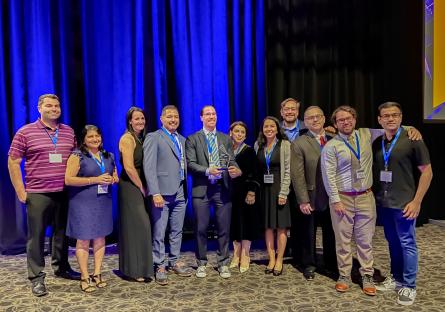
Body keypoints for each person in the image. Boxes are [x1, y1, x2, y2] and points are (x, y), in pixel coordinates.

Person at [321, 105, 421, 296]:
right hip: (342, 198)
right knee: (343, 241)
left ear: (355, 120)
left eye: (349, 118)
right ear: (335, 124)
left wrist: (410, 128)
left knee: (365, 240)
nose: (345, 122)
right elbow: (328, 176)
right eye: (341, 120)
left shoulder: (366, 134)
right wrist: (335, 200)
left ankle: (366, 275)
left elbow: (391, 126)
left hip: (366, 197)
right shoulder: (331, 146)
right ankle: (344, 275)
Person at [7, 94, 78, 297]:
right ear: (39, 108)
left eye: (57, 105)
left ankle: (61, 267)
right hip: (38, 193)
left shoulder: (68, 131)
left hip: (64, 192)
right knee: (36, 237)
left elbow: (75, 159)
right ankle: (37, 277)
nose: (54, 108)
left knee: (62, 234)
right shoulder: (25, 132)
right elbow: (13, 162)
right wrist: (21, 191)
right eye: (49, 105)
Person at [372, 102, 432, 305]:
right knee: (393, 242)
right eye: (386, 116)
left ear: (401, 118)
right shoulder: (377, 142)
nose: (390, 118)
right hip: (384, 202)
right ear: (379, 120)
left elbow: (427, 173)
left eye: (395, 115)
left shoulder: (413, 140)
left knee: (408, 243)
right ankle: (396, 279)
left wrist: (417, 202)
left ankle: (409, 286)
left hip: (405, 203)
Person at [185, 105, 242, 279]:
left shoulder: (225, 138)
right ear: (201, 118)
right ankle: (201, 262)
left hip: (222, 188)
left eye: (214, 114)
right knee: (200, 228)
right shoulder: (193, 139)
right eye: (208, 114)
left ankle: (223, 263)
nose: (211, 116)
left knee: (223, 228)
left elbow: (231, 160)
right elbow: (191, 164)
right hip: (202, 189)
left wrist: (237, 170)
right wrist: (208, 170)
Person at [65, 125, 118, 292]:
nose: (95, 139)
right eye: (91, 137)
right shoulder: (77, 156)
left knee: (100, 238)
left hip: (103, 202)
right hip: (82, 203)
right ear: (84, 139)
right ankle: (84, 276)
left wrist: (113, 179)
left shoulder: (108, 155)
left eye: (97, 136)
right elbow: (68, 180)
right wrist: (94, 180)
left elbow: (115, 174)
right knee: (83, 239)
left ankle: (97, 273)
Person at [143, 105, 192, 285]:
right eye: (169, 116)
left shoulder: (182, 139)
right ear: (161, 118)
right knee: (159, 231)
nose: (173, 119)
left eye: (176, 116)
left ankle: (174, 260)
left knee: (177, 230)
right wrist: (155, 192)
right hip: (162, 193)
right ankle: (159, 264)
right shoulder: (154, 137)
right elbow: (149, 168)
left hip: (180, 190)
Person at [290, 106, 337, 281]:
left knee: (331, 233)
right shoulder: (299, 142)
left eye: (318, 117)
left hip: (333, 197)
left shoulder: (335, 139)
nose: (315, 120)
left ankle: (331, 264)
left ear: (324, 119)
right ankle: (308, 264)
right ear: (305, 121)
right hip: (310, 196)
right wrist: (302, 200)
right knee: (308, 233)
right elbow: (297, 174)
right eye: (310, 118)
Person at [118, 107, 153, 281]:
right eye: (136, 119)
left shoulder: (141, 138)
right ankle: (135, 270)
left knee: (139, 228)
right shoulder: (127, 138)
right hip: (131, 186)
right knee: (140, 226)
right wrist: (141, 187)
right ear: (130, 121)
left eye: (142, 118)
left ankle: (140, 268)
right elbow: (129, 167)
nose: (140, 121)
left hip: (140, 184)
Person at [255, 116, 291, 276]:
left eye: (272, 126)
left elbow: (288, 171)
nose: (269, 129)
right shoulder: (258, 145)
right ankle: (271, 258)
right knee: (268, 227)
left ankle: (280, 259)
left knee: (281, 227)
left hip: (279, 190)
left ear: (277, 128)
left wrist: (284, 192)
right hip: (264, 191)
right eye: (266, 127)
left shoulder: (285, 145)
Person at [228, 121, 260, 273]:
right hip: (230, 193)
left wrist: (252, 191)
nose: (239, 134)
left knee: (246, 223)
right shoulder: (227, 150)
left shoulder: (249, 151)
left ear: (246, 135)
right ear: (231, 133)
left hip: (246, 193)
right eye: (237, 131)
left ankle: (245, 255)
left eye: (242, 132)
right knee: (234, 223)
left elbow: (254, 172)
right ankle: (236, 254)